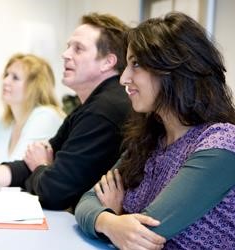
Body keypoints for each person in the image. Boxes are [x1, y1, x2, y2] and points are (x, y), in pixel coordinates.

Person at [0, 13, 131, 210]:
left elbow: (53, 191)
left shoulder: (102, 110)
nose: (65, 54)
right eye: (68, 47)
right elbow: (25, 169)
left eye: (78, 48)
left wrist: (40, 167)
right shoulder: (89, 108)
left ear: (107, 62)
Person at [75, 12, 235, 249]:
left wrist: (115, 216)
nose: (124, 78)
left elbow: (146, 234)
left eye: (136, 64)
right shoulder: (152, 140)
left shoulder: (221, 144)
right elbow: (86, 202)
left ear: (173, 70)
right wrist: (110, 222)